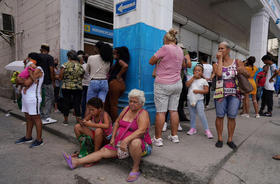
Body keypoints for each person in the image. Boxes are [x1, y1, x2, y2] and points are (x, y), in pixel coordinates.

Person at [63, 89, 152, 182]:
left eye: (135, 102)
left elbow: (142, 130)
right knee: (103, 151)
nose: (132, 104)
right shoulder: (126, 109)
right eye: (131, 101)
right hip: (120, 142)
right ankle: (76, 162)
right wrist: (113, 138)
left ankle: (135, 168)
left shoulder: (143, 113)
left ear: (141, 103)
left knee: (135, 142)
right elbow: (117, 122)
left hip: (141, 146)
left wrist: (126, 140)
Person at [149, 29, 184, 146]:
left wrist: (159, 59)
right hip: (177, 83)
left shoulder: (165, 48)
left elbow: (151, 61)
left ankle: (158, 139)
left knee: (161, 112)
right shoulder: (180, 50)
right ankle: (174, 136)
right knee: (173, 110)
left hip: (163, 84)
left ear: (166, 39)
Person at [213, 41, 248, 150]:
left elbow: (248, 74)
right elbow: (218, 74)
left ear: (228, 50)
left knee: (232, 116)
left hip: (234, 94)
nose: (220, 50)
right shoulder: (216, 64)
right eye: (219, 48)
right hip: (220, 94)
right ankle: (220, 138)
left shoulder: (237, 62)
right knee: (219, 116)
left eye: (222, 48)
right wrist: (219, 60)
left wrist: (242, 70)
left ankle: (230, 139)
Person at [15, 52, 45, 148]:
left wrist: (21, 80)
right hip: (26, 97)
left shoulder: (39, 69)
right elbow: (18, 80)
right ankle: (28, 137)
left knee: (36, 118)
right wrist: (20, 80)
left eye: (29, 58)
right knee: (28, 118)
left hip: (33, 98)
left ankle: (39, 140)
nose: (27, 59)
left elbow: (27, 83)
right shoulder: (29, 69)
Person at [186, 64, 213, 139]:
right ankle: (193, 128)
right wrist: (193, 78)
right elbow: (187, 85)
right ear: (193, 71)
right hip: (190, 99)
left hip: (199, 100)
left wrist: (198, 91)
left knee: (201, 114)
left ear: (202, 72)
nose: (197, 72)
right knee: (192, 114)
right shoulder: (191, 78)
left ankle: (207, 130)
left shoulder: (203, 80)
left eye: (199, 70)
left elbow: (206, 91)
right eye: (195, 70)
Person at [59, 50, 85, 125]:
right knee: (77, 103)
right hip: (77, 87)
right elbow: (82, 76)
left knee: (66, 103)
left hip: (66, 87)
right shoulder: (80, 66)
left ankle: (66, 120)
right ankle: (78, 120)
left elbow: (60, 77)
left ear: (69, 57)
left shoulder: (65, 65)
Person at [105, 46, 129, 122]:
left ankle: (115, 122)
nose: (113, 55)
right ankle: (109, 120)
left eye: (114, 53)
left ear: (118, 54)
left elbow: (125, 66)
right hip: (120, 84)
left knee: (113, 105)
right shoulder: (120, 60)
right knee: (109, 103)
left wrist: (118, 75)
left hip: (115, 84)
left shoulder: (119, 60)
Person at [38, 44, 57, 124]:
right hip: (47, 81)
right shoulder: (49, 57)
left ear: (41, 49)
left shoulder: (37, 57)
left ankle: (41, 116)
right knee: (49, 98)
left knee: (41, 98)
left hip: (38, 82)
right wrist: (53, 81)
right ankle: (46, 117)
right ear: (48, 50)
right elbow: (51, 69)